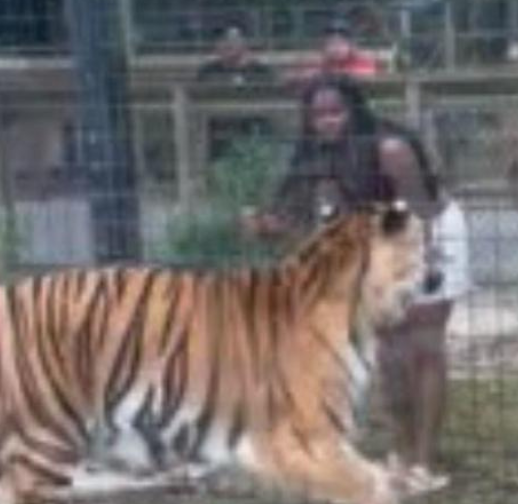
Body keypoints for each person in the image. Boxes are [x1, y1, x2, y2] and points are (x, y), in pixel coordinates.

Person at [243, 75, 470, 473]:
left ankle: (425, 459)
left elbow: (421, 208)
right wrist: (269, 227)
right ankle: (402, 449)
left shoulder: (390, 148)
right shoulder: (316, 154)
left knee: (424, 344)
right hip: (375, 236)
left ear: (354, 110)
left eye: (336, 111)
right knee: (390, 347)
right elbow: (310, 230)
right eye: (318, 114)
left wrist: (425, 265)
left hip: (429, 229)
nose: (327, 121)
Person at [194, 24, 277, 163]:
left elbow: (269, 103)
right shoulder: (207, 71)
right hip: (219, 138)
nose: (226, 44)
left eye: (232, 39)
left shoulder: (261, 71)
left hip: (253, 136)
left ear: (244, 43)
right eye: (222, 40)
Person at [289, 17, 381, 83]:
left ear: (351, 46)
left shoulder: (362, 61)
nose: (336, 49)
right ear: (324, 47)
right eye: (331, 44)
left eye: (341, 44)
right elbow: (297, 75)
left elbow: (368, 73)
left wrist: (333, 74)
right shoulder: (321, 63)